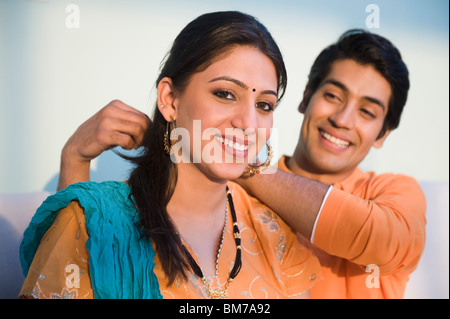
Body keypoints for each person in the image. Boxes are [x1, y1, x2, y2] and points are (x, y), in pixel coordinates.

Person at [54, 28, 427, 299]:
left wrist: (236, 159)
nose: (343, 120)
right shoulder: (226, 199)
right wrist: (75, 160)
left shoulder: (393, 193)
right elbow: (75, 265)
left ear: (382, 134)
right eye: (332, 95)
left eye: (367, 111)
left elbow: (375, 236)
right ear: (306, 99)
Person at [19, 11, 322, 299]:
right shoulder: (91, 222)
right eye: (225, 94)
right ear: (170, 99)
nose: (248, 123)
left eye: (264, 105)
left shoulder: (273, 232)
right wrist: (73, 158)